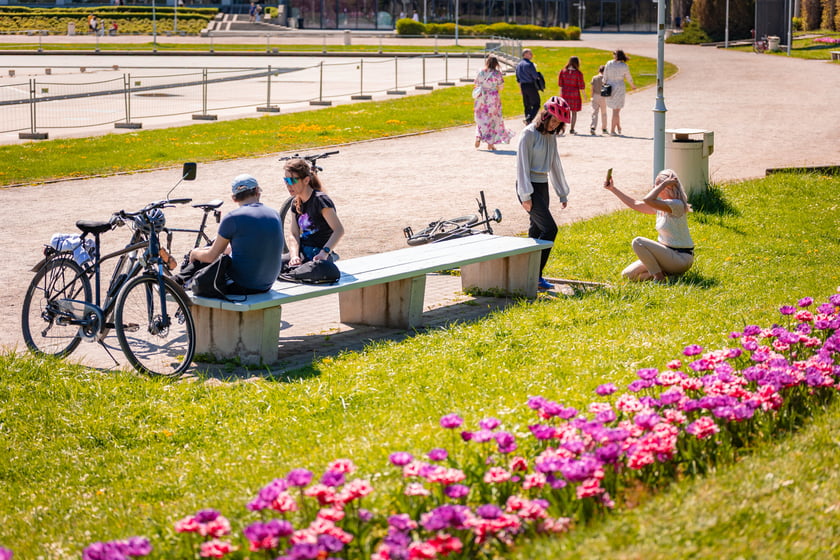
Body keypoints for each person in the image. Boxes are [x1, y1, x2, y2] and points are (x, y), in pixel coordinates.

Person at [189, 174, 284, 294]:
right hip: (267, 283)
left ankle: (176, 285)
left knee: (201, 262)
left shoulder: (232, 218)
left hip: (243, 285)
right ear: (257, 191)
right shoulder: (274, 214)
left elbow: (210, 256)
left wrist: (194, 253)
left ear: (234, 198)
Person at [515, 96, 572, 291]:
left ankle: (527, 275)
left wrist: (562, 193)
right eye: (553, 120)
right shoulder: (528, 134)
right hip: (528, 185)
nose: (554, 125)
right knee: (550, 229)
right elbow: (521, 166)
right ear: (545, 116)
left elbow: (555, 163)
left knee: (536, 230)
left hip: (543, 185)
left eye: (558, 123)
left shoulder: (551, 136)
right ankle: (535, 276)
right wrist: (525, 196)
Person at [604, 169, 694, 282]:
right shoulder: (661, 206)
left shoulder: (676, 204)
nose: (654, 187)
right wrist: (613, 189)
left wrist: (663, 184)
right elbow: (636, 204)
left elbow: (647, 200)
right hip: (667, 256)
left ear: (668, 187)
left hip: (680, 258)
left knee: (638, 242)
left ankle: (659, 278)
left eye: (657, 184)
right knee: (627, 275)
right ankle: (670, 276)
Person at [283, 158, 345, 266]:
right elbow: (294, 233)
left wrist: (325, 252)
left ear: (306, 180)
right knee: (273, 267)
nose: (288, 185)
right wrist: (294, 256)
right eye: (286, 180)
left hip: (319, 254)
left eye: (292, 181)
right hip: (303, 252)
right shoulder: (295, 202)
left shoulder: (320, 200)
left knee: (312, 271)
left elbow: (339, 230)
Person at [472, 55, 514, 151]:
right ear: (496, 63)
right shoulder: (497, 74)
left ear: (487, 62)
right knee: (493, 120)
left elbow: (476, 84)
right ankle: (490, 144)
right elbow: (501, 87)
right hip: (493, 99)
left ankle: (478, 136)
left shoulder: (481, 72)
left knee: (481, 118)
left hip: (481, 98)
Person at [603, 49, 636, 136]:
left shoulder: (609, 63)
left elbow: (604, 76)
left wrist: (604, 84)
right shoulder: (624, 66)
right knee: (616, 111)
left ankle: (618, 127)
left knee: (616, 110)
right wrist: (632, 85)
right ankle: (613, 130)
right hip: (619, 87)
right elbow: (628, 76)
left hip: (610, 87)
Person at [557, 56, 585, 135]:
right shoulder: (578, 73)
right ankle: (572, 129)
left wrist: (560, 94)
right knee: (574, 112)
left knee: (563, 111)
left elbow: (560, 84)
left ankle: (560, 128)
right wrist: (585, 96)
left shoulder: (563, 71)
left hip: (565, 93)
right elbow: (581, 86)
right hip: (574, 94)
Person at [515, 49, 542, 125]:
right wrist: (539, 77)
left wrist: (520, 88)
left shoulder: (518, 65)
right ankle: (529, 119)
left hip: (523, 86)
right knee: (537, 103)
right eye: (530, 54)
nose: (532, 55)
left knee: (527, 104)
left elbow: (517, 78)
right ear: (525, 54)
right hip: (530, 85)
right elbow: (535, 76)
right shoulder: (529, 64)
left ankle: (527, 120)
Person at [589, 65, 607, 135]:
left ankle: (593, 127)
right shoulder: (606, 79)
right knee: (604, 113)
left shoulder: (594, 78)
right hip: (603, 96)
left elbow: (592, 88)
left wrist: (591, 96)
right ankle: (604, 128)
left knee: (594, 112)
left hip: (595, 96)